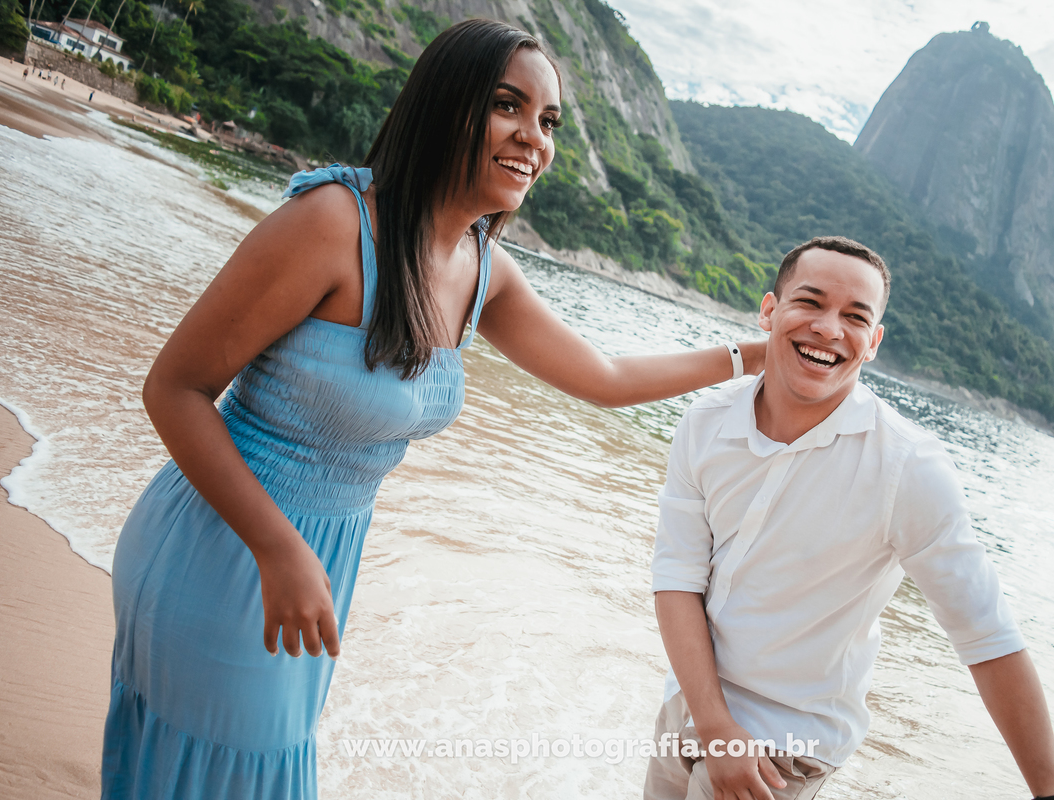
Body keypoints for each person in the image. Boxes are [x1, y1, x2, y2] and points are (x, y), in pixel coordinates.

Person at [101, 18, 764, 800]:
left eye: (548, 122)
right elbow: (174, 388)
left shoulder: (484, 269)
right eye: (508, 107)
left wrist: (760, 355)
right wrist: (277, 551)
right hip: (227, 542)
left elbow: (608, 375)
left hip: (320, 562)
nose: (534, 138)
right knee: (234, 774)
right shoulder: (332, 226)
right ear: (447, 105)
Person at [645, 236, 1054, 800]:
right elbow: (677, 578)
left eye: (854, 317)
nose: (828, 328)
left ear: (872, 343)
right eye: (810, 302)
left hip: (787, 744)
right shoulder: (705, 421)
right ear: (769, 311)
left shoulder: (906, 467)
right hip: (689, 708)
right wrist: (714, 725)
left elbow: (986, 636)